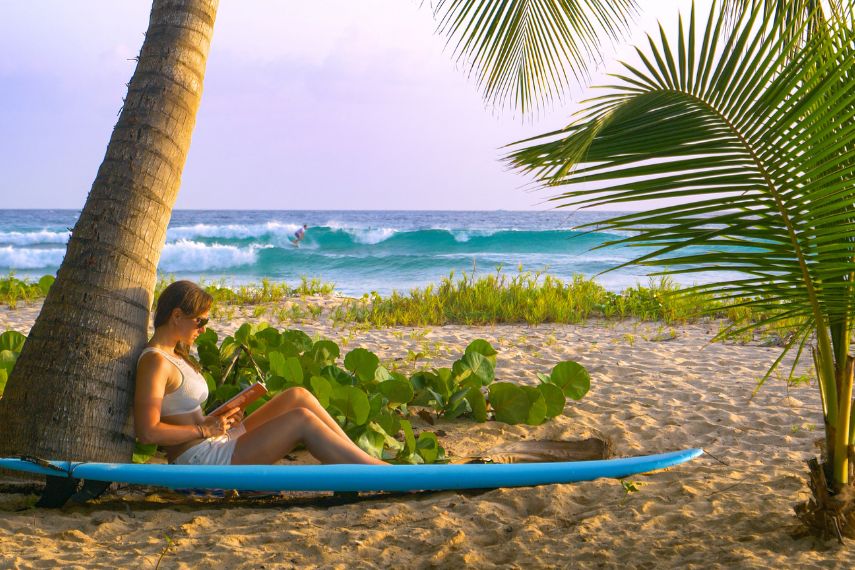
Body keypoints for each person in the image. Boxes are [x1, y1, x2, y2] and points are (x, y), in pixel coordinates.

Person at [134, 280, 386, 466]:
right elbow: (148, 431)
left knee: (297, 396)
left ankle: (361, 460)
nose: (203, 329)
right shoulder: (155, 361)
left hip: (214, 441)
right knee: (301, 419)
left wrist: (219, 420)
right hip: (201, 458)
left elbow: (183, 415)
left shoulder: (175, 355)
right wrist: (203, 430)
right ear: (177, 316)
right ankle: (371, 471)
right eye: (201, 321)